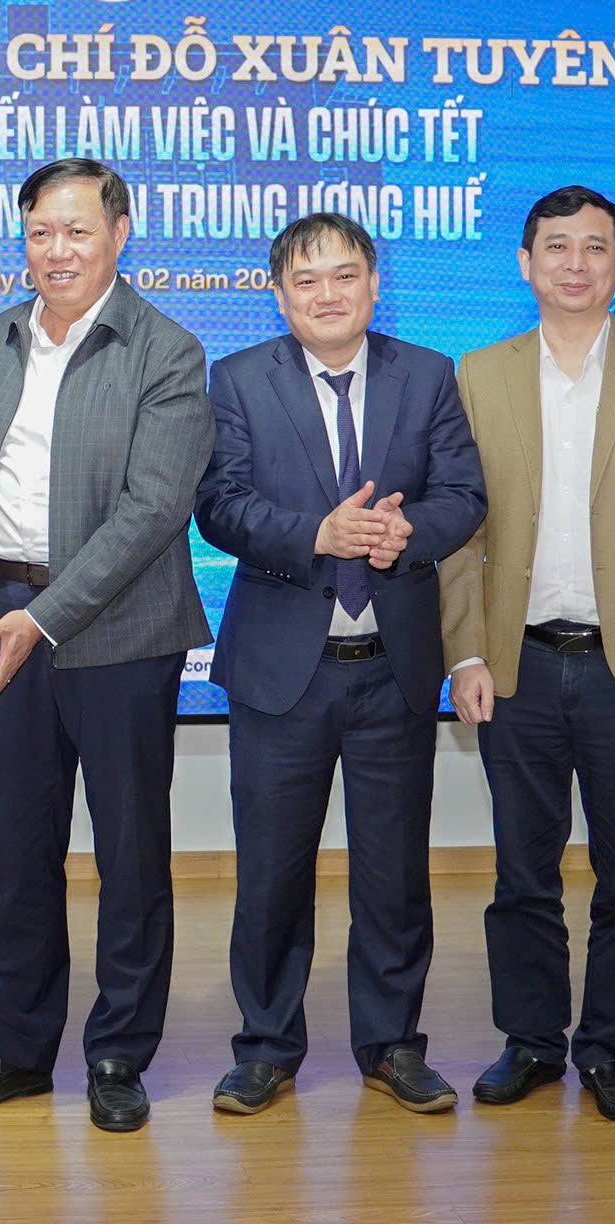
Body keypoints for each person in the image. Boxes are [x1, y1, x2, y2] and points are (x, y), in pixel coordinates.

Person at [0, 158, 213, 1134]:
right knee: (16, 847)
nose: (56, 250)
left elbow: (151, 510)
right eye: (39, 232)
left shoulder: (166, 350)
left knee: (128, 852)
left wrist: (44, 615)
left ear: (119, 234)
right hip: (0, 618)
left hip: (121, 628)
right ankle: (15, 1049)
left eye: (77, 230)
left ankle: (119, 1051)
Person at [439, 187, 615, 1123]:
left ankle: (607, 1051)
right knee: (520, 875)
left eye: (594, 247)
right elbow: (461, 534)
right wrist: (464, 654)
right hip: (515, 666)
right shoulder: (478, 374)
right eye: (555, 247)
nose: (574, 264)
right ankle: (529, 1042)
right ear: (524, 263)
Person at [195, 212, 485, 1117]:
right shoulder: (238, 379)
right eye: (306, 280)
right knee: (270, 874)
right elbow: (218, 505)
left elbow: (463, 494)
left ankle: (391, 1045)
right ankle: (265, 1047)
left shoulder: (426, 374)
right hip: (281, 671)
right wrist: (313, 535)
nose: (327, 294)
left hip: (391, 667)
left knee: (393, 875)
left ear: (373, 284)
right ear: (278, 296)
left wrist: (410, 533)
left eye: (345, 275)